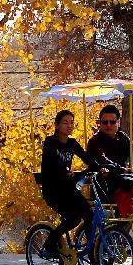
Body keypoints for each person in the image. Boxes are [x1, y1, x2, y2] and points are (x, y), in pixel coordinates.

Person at [39, 109, 103, 256]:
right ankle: (50, 244)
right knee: (73, 219)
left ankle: (92, 252)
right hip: (53, 191)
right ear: (56, 125)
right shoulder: (50, 142)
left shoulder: (72, 143)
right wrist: (65, 172)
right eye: (65, 122)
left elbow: (88, 159)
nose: (69, 126)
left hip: (69, 189)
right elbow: (52, 164)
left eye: (72, 123)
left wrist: (100, 168)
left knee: (89, 215)